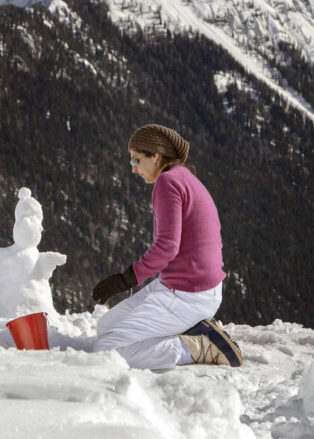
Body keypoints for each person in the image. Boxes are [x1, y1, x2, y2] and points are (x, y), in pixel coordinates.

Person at [91, 124, 243, 369]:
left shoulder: (167, 182)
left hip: (189, 295)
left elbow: (167, 247)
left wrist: (127, 279)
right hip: (183, 286)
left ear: (156, 155)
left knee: (107, 349)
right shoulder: (183, 177)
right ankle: (185, 330)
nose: (134, 168)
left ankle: (197, 346)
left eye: (137, 160)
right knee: (105, 328)